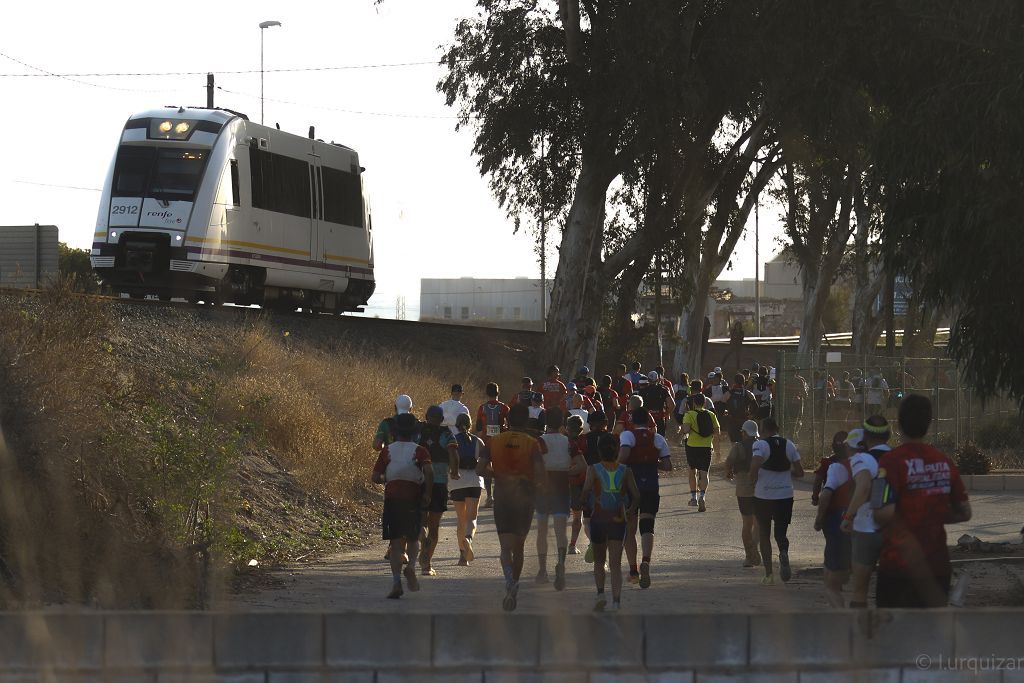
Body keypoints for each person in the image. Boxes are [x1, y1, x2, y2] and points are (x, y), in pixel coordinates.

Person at [873, 395, 972, 608]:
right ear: (929, 423)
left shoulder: (889, 463)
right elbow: (965, 512)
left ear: (898, 423)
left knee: (894, 636)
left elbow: (881, 512)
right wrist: (932, 512)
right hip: (937, 566)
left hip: (897, 566)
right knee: (930, 636)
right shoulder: (944, 462)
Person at [477, 403, 547, 611]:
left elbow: (480, 469)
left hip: (503, 498)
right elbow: (541, 475)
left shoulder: (494, 441)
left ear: (506, 421)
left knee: (505, 548)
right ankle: (514, 582)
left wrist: (498, 475)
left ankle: (510, 581)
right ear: (526, 421)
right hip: (525, 499)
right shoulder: (533, 443)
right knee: (519, 547)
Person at [372, 413, 432, 599]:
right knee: (413, 538)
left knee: (397, 543)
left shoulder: (387, 450)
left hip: (393, 499)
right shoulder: (421, 450)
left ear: (395, 432)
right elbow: (429, 471)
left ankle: (396, 582)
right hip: (413, 497)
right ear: (414, 432)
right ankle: (412, 566)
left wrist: (387, 479)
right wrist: (427, 493)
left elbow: (375, 477)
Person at [582, 432, 641, 611]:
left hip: (599, 518)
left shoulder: (592, 469)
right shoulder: (625, 470)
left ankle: (600, 593)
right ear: (617, 451)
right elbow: (636, 496)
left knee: (600, 561)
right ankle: (616, 601)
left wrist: (588, 505)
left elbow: (584, 495)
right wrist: (630, 511)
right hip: (618, 519)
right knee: (615, 563)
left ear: (599, 452)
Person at [841, 415, 892, 608]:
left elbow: (862, 487)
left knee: (860, 589)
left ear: (866, 438)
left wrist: (848, 516)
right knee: (889, 586)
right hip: (892, 528)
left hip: (866, 527)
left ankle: (859, 633)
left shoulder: (862, 458)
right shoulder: (897, 456)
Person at [618, 407, 673, 588]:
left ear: (632, 420)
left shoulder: (627, 436)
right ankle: (646, 561)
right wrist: (650, 461)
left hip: (630, 487)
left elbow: (624, 455)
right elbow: (667, 466)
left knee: (629, 528)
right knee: (647, 525)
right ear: (649, 421)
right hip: (650, 486)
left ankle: (633, 571)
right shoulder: (658, 439)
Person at [535, 408, 585, 590]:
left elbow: (533, 464)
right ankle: (561, 564)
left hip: (543, 487)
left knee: (541, 529)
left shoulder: (540, 441)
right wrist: (567, 472)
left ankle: (542, 570)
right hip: (562, 486)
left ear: (546, 423)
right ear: (562, 424)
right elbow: (582, 465)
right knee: (560, 529)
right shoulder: (569, 442)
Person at [750, 417, 804, 585]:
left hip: (763, 496)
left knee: (764, 534)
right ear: (777, 429)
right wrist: (787, 472)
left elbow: (754, 466)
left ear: (763, 429)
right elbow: (800, 472)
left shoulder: (760, 445)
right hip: (785, 495)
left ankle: (768, 574)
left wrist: (753, 481)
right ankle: (783, 552)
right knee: (781, 532)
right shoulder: (789, 445)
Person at [814, 429, 856, 607]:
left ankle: (836, 582)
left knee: (833, 547)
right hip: (854, 514)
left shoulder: (829, 463)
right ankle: (845, 571)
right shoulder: (859, 464)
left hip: (834, 513)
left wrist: (815, 498)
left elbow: (819, 482)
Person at [445, 413, 484, 566]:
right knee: (472, 519)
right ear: (470, 425)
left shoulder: (452, 440)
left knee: (461, 520)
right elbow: (486, 463)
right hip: (474, 482)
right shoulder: (478, 441)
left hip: (456, 482)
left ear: (456, 424)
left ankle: (462, 556)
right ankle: (468, 538)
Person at [572, 411, 612, 561]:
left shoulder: (584, 439)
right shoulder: (612, 438)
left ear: (589, 423)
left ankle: (593, 541)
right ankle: (602, 543)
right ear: (605, 423)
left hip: (589, 480)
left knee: (587, 519)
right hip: (608, 480)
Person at [417, 405, 450, 577]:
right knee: (434, 526)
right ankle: (426, 564)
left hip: (420, 481)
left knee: (421, 521)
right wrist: (454, 470)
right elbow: (453, 452)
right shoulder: (445, 434)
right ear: (442, 419)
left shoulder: (418, 432)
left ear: (426, 416)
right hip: (439, 482)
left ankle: (422, 540)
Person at [725, 420, 761, 568]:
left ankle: (748, 555)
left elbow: (729, 462)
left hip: (743, 489)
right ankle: (754, 546)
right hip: (760, 489)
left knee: (747, 523)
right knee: (759, 523)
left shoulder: (738, 446)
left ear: (744, 433)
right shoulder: (761, 445)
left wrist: (729, 472)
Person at [680, 393, 720, 512]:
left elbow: (686, 430)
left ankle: (694, 498)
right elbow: (717, 431)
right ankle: (703, 495)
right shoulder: (711, 414)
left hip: (692, 446)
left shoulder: (689, 414)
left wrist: (683, 429)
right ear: (705, 403)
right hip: (706, 447)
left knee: (692, 472)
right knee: (704, 473)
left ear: (693, 403)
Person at [475, 383, 510, 509]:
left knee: (487, 469)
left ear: (486, 393)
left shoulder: (482, 408)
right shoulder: (504, 408)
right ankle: (500, 495)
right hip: (500, 442)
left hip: (486, 441)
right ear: (498, 393)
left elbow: (478, 426)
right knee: (501, 468)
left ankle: (489, 496)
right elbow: (510, 424)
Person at [812, 432, 848, 507]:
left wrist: (815, 498)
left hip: (829, 502)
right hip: (849, 503)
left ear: (833, 446)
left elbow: (818, 481)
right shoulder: (855, 462)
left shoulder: (826, 462)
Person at [724, 374, 758, 443]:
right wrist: (751, 415)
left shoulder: (729, 393)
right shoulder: (748, 393)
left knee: (734, 441)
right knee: (743, 440)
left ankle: (736, 452)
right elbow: (756, 407)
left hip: (732, 420)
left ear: (734, 382)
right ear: (744, 382)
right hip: (744, 420)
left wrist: (726, 413)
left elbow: (721, 405)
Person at [639, 370, 674, 436]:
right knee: (659, 440)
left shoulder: (642, 391)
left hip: (646, 419)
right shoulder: (663, 390)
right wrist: (667, 413)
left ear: (648, 379)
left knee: (647, 440)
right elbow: (672, 405)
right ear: (657, 379)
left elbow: (638, 406)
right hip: (659, 418)